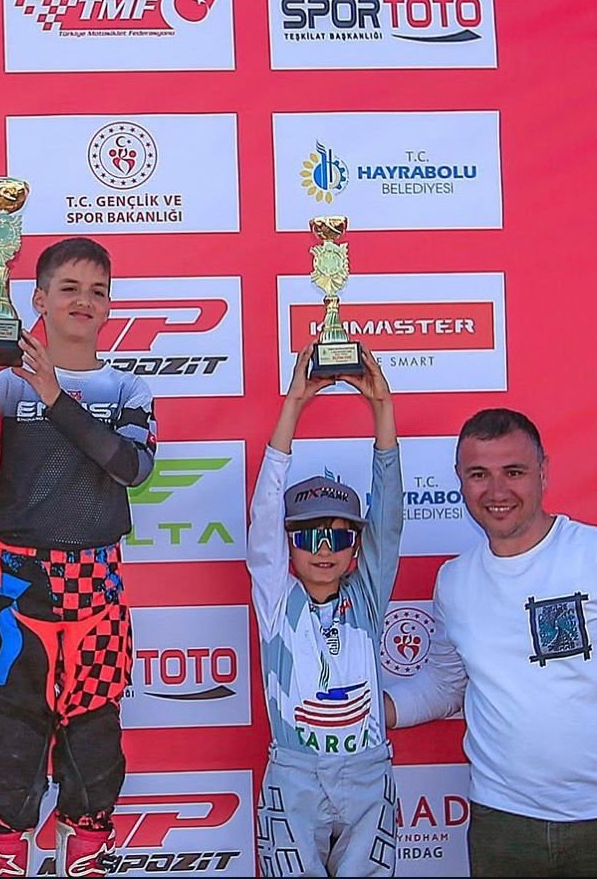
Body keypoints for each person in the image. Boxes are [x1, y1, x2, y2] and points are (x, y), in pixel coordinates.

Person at [383, 408, 597, 878]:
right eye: (479, 474)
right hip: (504, 829)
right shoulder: (454, 581)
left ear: (543, 472)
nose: (497, 491)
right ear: (460, 480)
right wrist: (366, 712)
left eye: (513, 472)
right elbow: (443, 686)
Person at [0, 237, 157, 878]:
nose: (84, 301)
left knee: (95, 742)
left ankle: (86, 854)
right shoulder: (4, 387)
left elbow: (132, 467)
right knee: (14, 741)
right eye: (69, 289)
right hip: (20, 589)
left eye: (98, 291)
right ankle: (3, 859)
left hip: (97, 594)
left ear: (109, 306)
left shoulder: (127, 388)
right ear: (38, 300)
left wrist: (56, 397)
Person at [248, 345, 403, 877]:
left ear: (355, 546)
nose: (323, 549)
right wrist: (293, 405)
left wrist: (383, 411)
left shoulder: (366, 597)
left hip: (368, 775)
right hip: (294, 777)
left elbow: (388, 518)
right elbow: (265, 512)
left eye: (337, 536)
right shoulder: (276, 599)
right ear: (287, 545)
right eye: (307, 535)